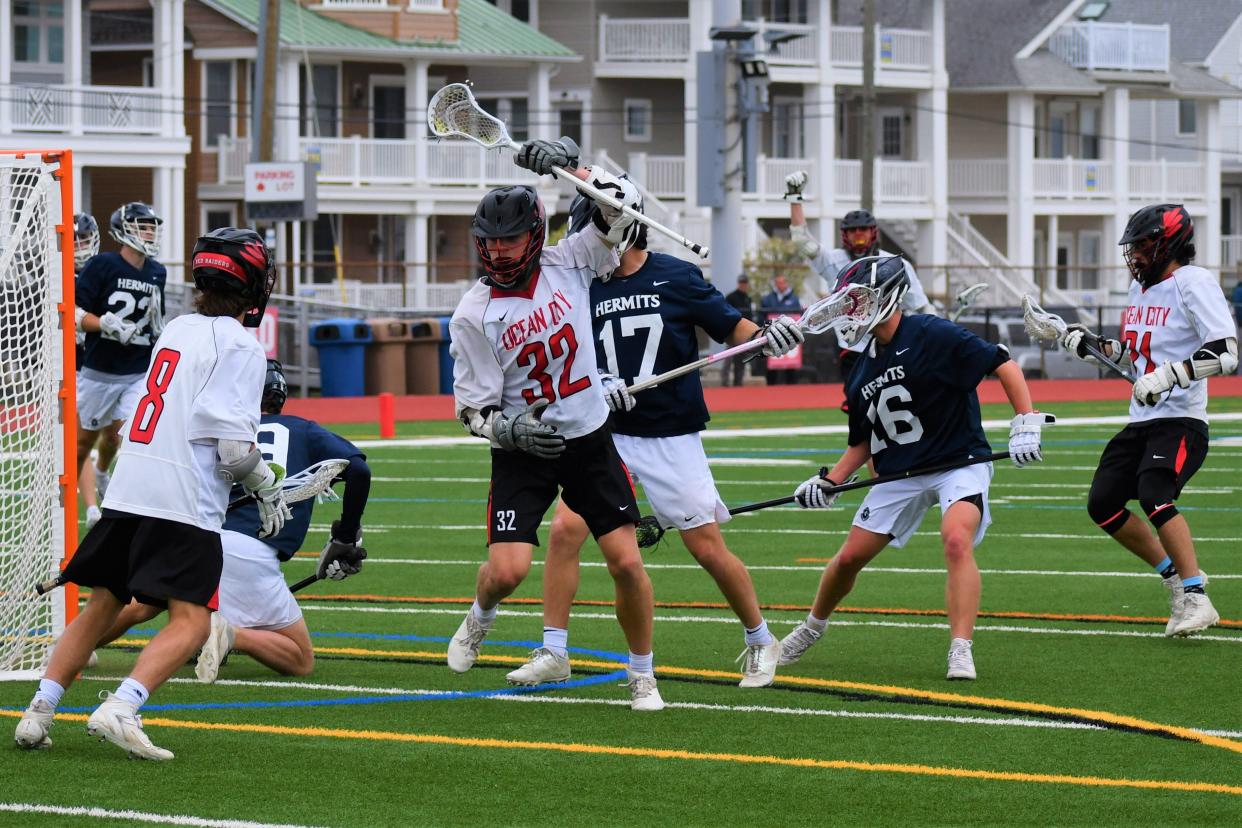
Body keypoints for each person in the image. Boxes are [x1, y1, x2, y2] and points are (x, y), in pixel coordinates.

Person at [503, 191, 804, 689]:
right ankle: (555, 648)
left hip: (668, 433)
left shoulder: (677, 276)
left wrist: (769, 337)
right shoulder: (581, 284)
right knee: (565, 531)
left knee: (706, 547)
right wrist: (598, 382)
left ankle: (760, 637)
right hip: (605, 433)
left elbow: (735, 329)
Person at [14, 227, 288, 761]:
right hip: (182, 498)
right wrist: (266, 485)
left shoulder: (178, 327)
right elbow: (232, 450)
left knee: (99, 608)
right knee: (192, 622)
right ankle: (123, 705)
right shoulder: (240, 345)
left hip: (132, 485)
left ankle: (37, 712)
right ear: (252, 283)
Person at [445, 137, 666, 711]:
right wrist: (508, 430)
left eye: (510, 238)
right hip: (525, 447)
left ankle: (642, 672)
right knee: (508, 570)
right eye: (489, 242)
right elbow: (472, 408)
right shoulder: (474, 313)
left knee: (625, 560)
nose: (498, 251)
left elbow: (625, 205)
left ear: (536, 234)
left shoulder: (571, 260)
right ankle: (478, 616)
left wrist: (571, 166)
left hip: (588, 436)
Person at [777, 255, 1052, 681]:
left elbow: (1003, 363)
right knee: (849, 558)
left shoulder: (931, 331)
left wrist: (1025, 421)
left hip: (958, 461)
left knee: (955, 539)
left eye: (858, 301)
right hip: (900, 471)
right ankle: (812, 627)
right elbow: (863, 441)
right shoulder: (862, 366)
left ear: (885, 296)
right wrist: (828, 481)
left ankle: (961, 647)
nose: (850, 311)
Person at [92, 360, 371, 681]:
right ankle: (227, 632)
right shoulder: (303, 430)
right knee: (300, 658)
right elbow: (359, 471)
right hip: (246, 554)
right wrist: (345, 538)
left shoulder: (218, 430)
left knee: (144, 605)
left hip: (191, 537)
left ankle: (70, 649)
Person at [1060, 204, 1236, 636]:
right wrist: (1091, 346)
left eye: (1142, 245)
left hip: (1180, 419)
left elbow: (1226, 351)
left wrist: (1172, 373)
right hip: (1143, 418)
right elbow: (1135, 357)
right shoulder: (1140, 292)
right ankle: (1175, 580)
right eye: (1133, 247)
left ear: (1168, 242)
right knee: (1102, 504)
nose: (1135, 255)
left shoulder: (1192, 282)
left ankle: (1198, 597)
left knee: (1154, 492)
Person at [784, 171, 934, 398]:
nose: (858, 235)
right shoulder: (833, 260)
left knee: (898, 400)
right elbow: (802, 241)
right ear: (845, 234)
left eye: (863, 229)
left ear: (872, 231)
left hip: (891, 344)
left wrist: (936, 336)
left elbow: (921, 307)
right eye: (853, 230)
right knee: (859, 409)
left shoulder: (894, 263)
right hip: (853, 347)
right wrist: (795, 197)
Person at [74, 203, 167, 529]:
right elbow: (73, 315)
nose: (150, 232)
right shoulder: (102, 265)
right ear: (124, 229)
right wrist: (106, 325)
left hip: (138, 372)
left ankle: (127, 509)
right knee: (83, 443)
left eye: (153, 227)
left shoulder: (157, 271)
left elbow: (157, 321)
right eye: (143, 226)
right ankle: (62, 501)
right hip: (99, 371)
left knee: (133, 438)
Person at [71, 212, 101, 519]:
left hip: (104, 371)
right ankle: (91, 506)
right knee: (79, 442)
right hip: (69, 371)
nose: (80, 244)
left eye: (83, 238)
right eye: (74, 238)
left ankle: (103, 478)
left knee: (114, 436)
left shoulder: (102, 272)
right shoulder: (56, 275)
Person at [759, 274, 802, 385]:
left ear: (786, 283)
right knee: (772, 363)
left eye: (782, 282)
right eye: (778, 283)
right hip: (772, 336)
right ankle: (771, 388)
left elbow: (799, 316)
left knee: (791, 366)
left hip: (789, 336)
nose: (780, 285)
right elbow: (762, 317)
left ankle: (791, 388)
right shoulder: (767, 299)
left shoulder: (794, 299)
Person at [722, 275, 754, 386]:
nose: (744, 285)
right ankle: (725, 382)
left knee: (741, 359)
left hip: (744, 333)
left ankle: (738, 382)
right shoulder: (731, 297)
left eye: (745, 283)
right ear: (738, 283)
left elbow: (750, 315)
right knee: (728, 358)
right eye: (742, 282)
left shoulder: (748, 298)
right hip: (732, 331)